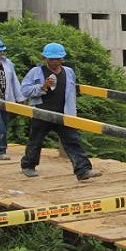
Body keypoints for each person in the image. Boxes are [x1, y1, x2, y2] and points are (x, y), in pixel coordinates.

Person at [20, 43, 101, 181]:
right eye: (51, 59)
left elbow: (71, 91)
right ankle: (28, 165)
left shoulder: (68, 72)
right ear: (45, 58)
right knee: (36, 140)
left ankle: (83, 170)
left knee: (72, 141)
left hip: (64, 113)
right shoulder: (36, 72)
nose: (54, 62)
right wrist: (43, 86)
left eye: (57, 59)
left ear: (62, 59)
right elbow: (24, 90)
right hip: (42, 112)